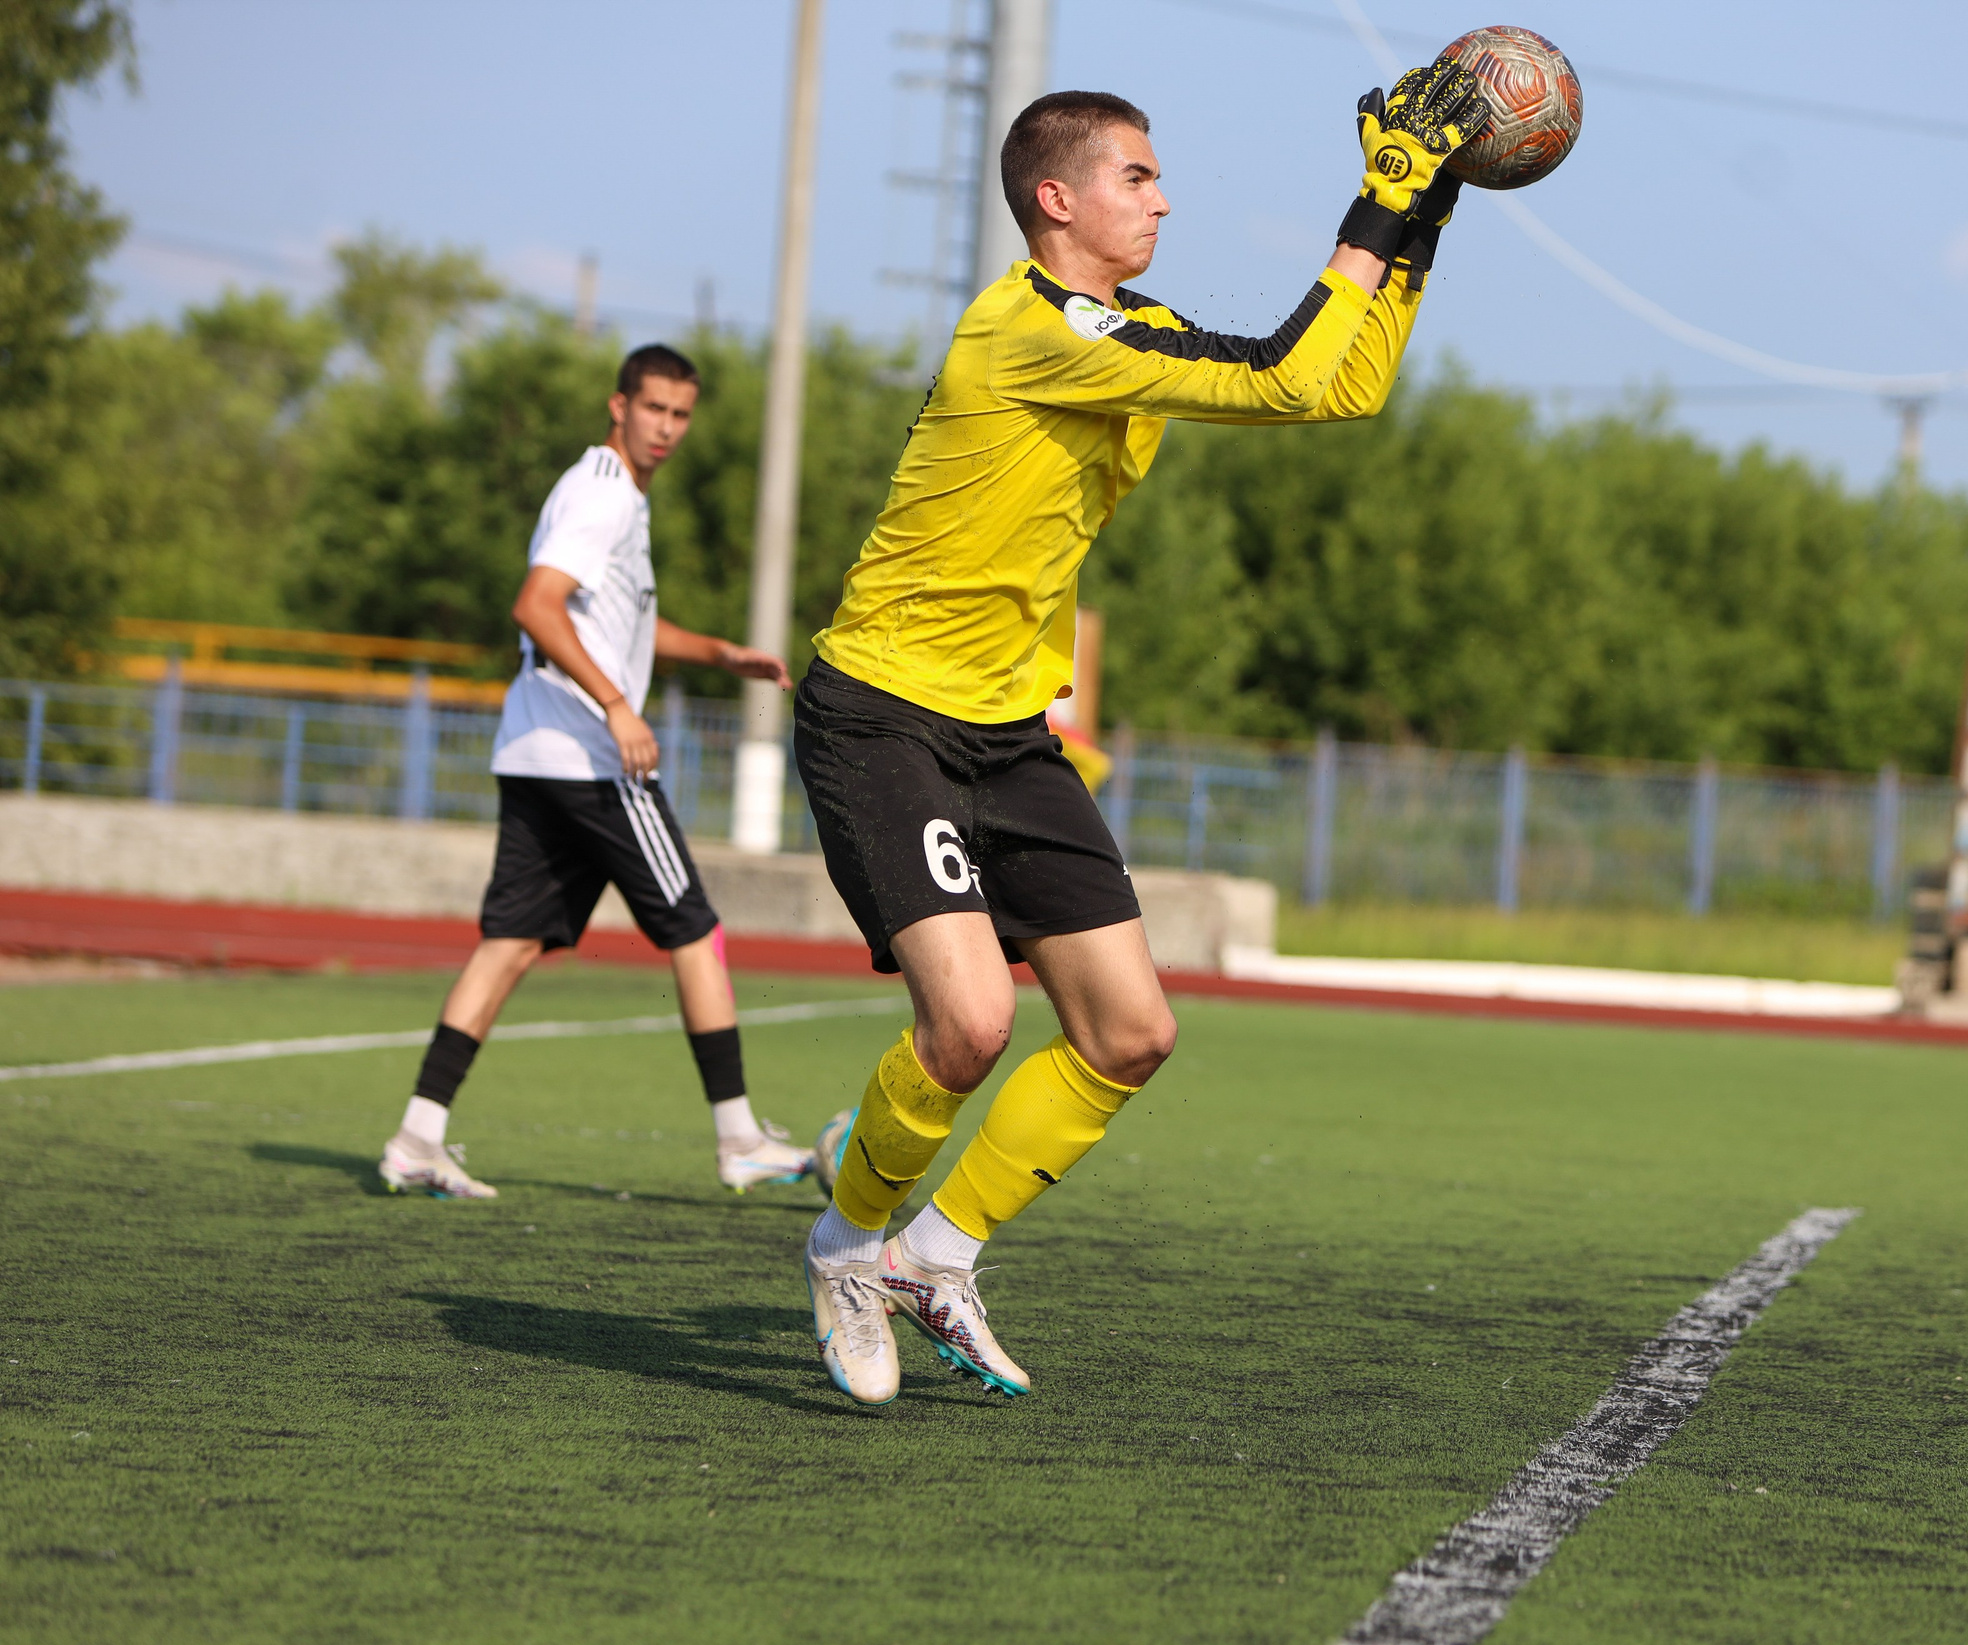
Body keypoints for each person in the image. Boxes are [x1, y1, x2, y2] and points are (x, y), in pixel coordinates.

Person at [793, 65, 1488, 1404]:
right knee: (973, 1021)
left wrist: (1427, 213)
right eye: (1138, 177)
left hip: (1005, 723)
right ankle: (844, 1245)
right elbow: (1286, 372)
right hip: (884, 711)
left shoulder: (1125, 326)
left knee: (1130, 1030)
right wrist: (1373, 204)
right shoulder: (1032, 333)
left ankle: (938, 1252)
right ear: (1056, 200)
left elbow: (1335, 390)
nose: (1165, 199)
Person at [378, 344, 820, 1201]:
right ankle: (738, 1139)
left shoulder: (607, 491)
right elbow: (537, 606)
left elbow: (615, 623)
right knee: (696, 929)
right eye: (653, 408)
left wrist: (720, 654)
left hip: (534, 750)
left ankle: (415, 1137)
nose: (666, 428)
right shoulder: (606, 493)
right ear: (617, 406)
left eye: (681, 414)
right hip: (588, 757)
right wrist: (619, 707)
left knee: (508, 946)